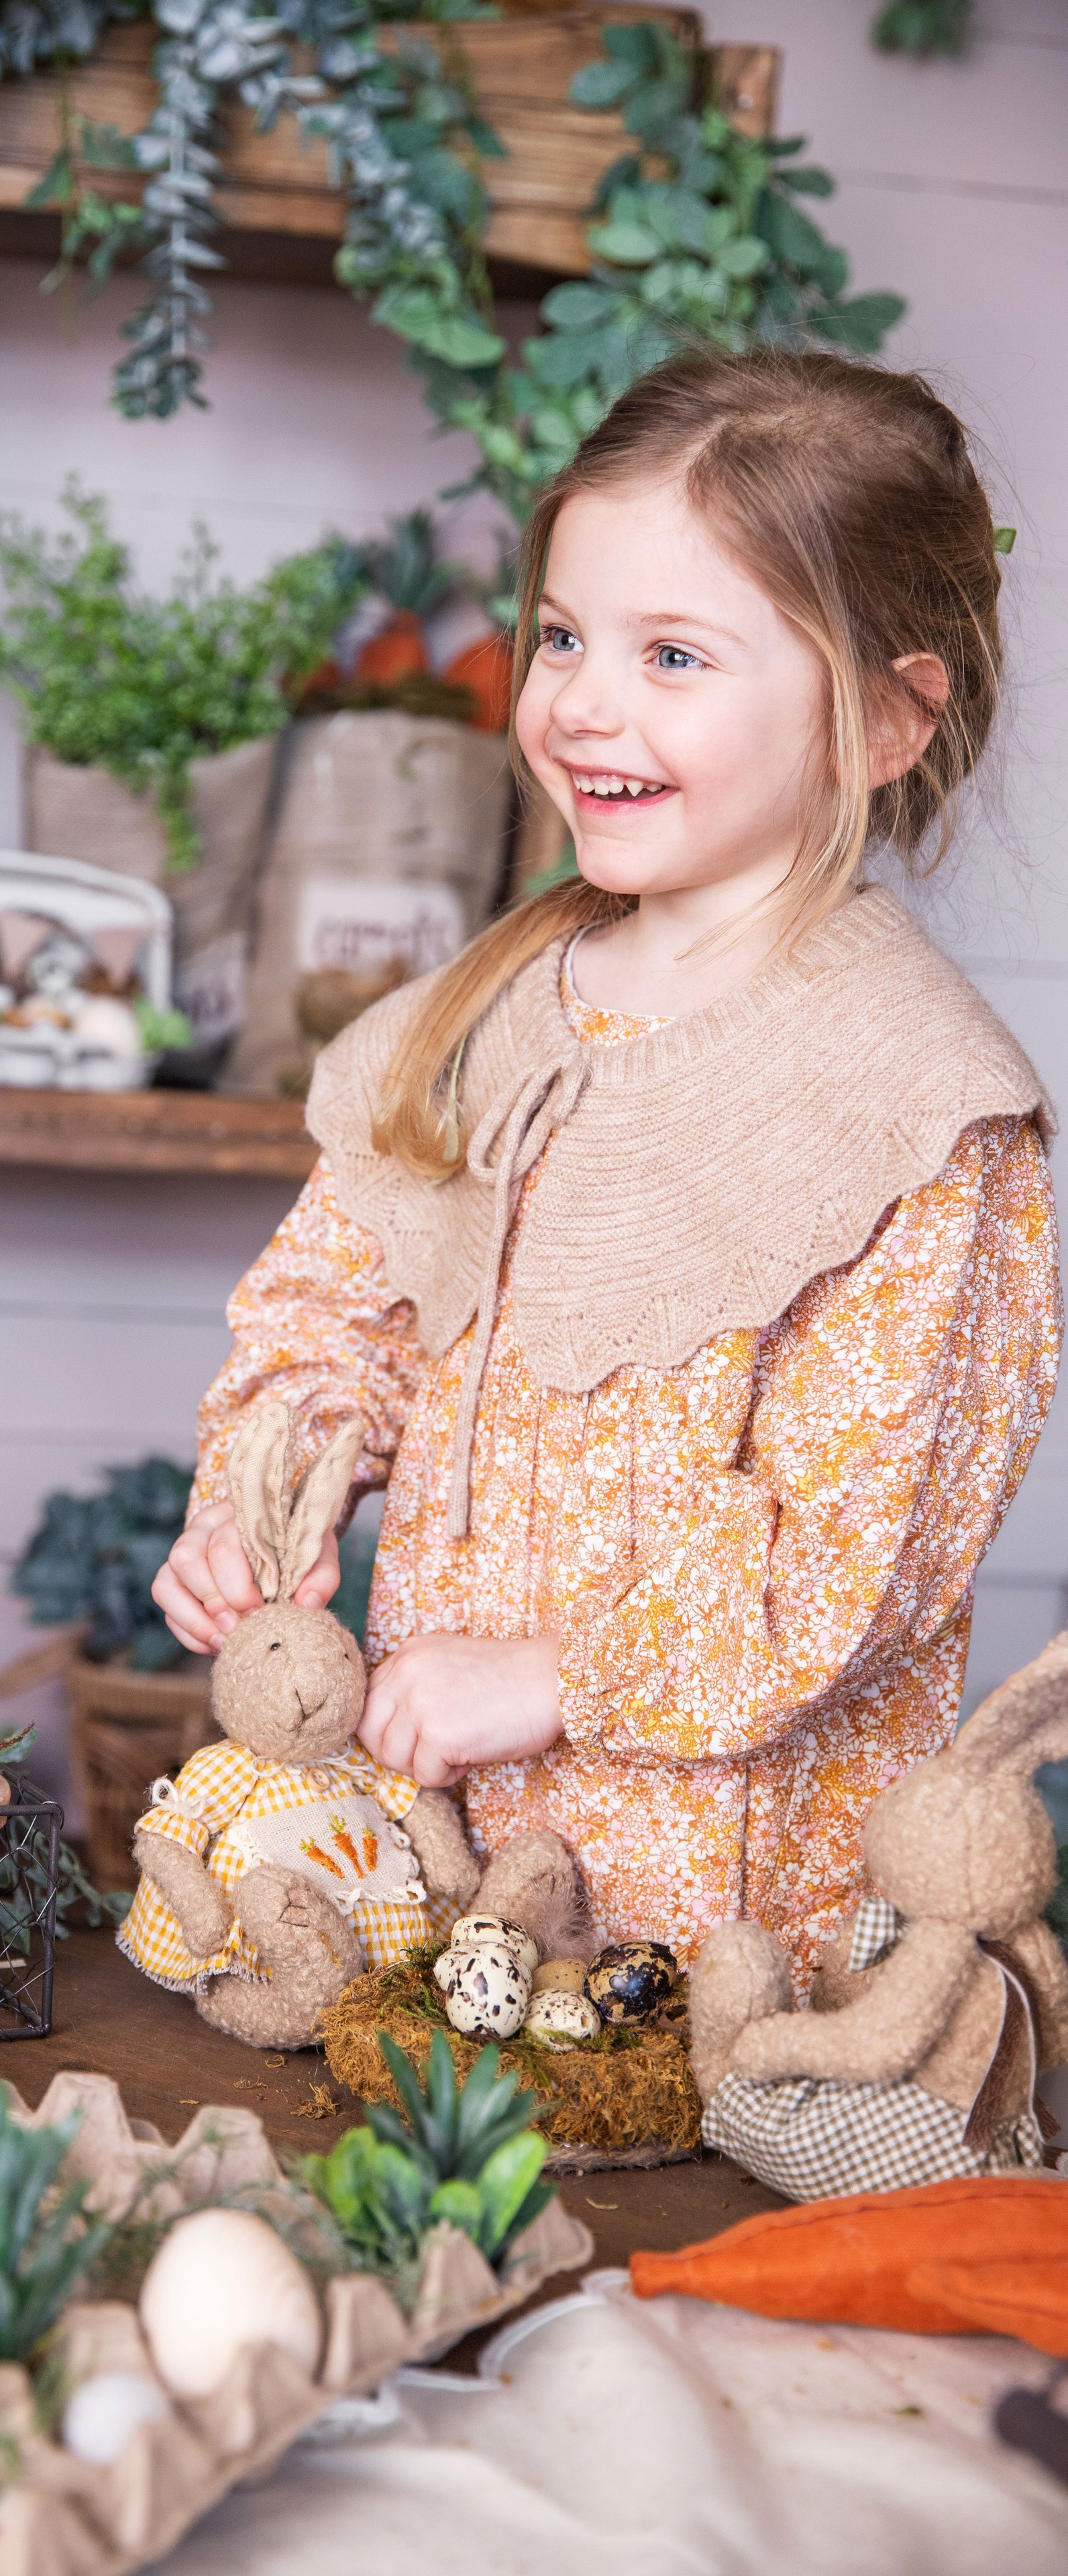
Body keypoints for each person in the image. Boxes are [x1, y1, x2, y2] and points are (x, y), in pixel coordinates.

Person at [153, 347, 1060, 1990]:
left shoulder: (920, 1115)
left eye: (672, 655)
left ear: (881, 718)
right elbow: (332, 1307)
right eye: (561, 636)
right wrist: (265, 1488)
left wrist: (557, 1670)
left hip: (719, 1916)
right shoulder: (491, 1012)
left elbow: (846, 1560)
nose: (581, 703)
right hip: (433, 1855)